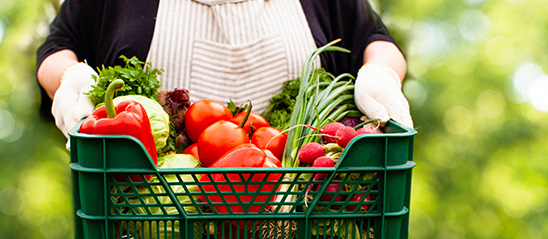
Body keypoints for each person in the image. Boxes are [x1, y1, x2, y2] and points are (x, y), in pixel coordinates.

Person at [36, 0, 414, 143]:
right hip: (146, 219)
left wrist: (379, 72)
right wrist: (70, 79)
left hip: (299, 217)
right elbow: (57, 48)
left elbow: (376, 39)